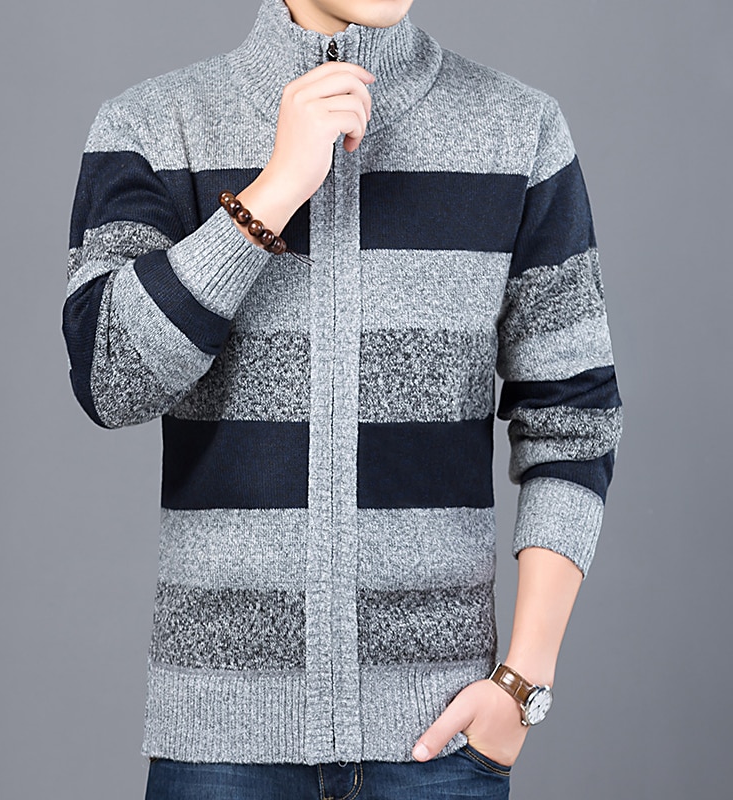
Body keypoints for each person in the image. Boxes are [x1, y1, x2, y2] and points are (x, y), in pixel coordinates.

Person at [61, 0, 623, 797]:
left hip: (437, 747)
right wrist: (272, 192)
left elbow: (573, 422)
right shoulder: (157, 126)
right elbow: (110, 378)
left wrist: (522, 682)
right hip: (219, 749)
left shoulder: (518, 131)